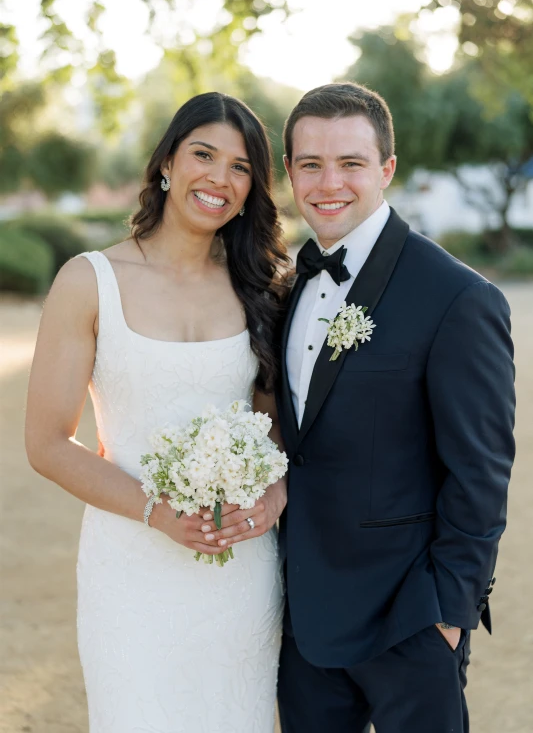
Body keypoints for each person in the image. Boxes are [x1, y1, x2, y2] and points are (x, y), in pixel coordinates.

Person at [25, 92, 290, 733]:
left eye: (240, 167)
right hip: (132, 568)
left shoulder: (262, 285)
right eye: (204, 154)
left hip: (240, 569)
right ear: (168, 161)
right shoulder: (89, 281)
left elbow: (276, 428)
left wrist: (275, 495)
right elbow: (48, 444)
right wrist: (157, 510)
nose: (219, 179)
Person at [274, 82, 516, 732]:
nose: (329, 183)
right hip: (303, 623)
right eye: (310, 164)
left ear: (386, 169)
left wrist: (446, 613)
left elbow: (481, 471)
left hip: (407, 621)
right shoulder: (285, 286)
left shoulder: (456, 298)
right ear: (290, 172)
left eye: (350, 163)